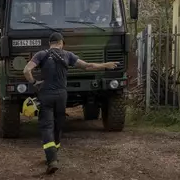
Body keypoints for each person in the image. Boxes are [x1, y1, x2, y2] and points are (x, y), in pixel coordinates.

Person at [23, 32, 119, 175]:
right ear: (61, 43)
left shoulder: (41, 54)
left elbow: (26, 70)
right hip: (62, 96)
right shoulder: (67, 55)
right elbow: (88, 66)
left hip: (46, 94)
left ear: (50, 43)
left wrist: (35, 83)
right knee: (58, 124)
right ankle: (55, 152)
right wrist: (106, 65)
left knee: (46, 126)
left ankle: (52, 159)